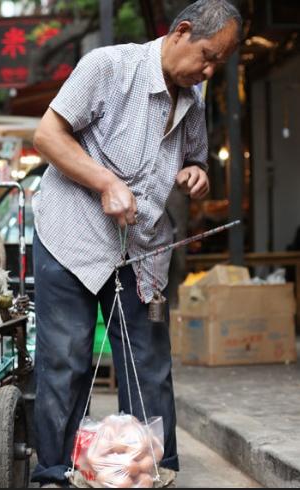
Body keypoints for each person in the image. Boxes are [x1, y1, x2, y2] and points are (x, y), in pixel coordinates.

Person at [29, 1, 241, 486]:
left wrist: (197, 172)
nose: (208, 70)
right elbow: (47, 136)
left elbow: (195, 157)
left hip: (141, 247)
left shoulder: (193, 96)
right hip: (72, 235)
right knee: (66, 357)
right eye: (207, 56)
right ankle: (53, 474)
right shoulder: (108, 66)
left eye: (217, 65)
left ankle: (151, 472)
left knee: (148, 364)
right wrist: (105, 182)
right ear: (181, 32)